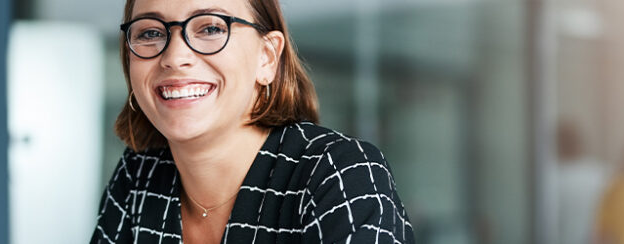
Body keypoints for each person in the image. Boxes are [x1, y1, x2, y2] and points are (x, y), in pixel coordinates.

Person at [91, 0, 414, 243]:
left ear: (267, 57)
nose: (175, 57)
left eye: (210, 28)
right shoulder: (139, 177)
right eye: (150, 32)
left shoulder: (338, 173)